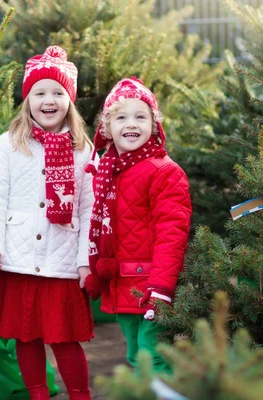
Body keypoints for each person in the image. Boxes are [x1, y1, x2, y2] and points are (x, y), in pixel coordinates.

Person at [0, 46, 94, 400]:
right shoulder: (9, 144)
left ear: (69, 101)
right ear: (27, 99)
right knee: (26, 336)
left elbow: (90, 207)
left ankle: (80, 395)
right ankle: (38, 395)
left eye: (58, 93)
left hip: (62, 260)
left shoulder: (83, 148)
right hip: (19, 259)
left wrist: (85, 260)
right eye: (40, 92)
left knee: (64, 338)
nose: (49, 100)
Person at [84, 77, 192, 372]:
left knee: (153, 356)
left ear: (155, 126)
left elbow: (173, 233)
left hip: (152, 286)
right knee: (134, 355)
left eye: (140, 116)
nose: (131, 124)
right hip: (122, 284)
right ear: (107, 128)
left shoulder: (164, 172)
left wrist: (161, 287)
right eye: (121, 117)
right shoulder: (108, 170)